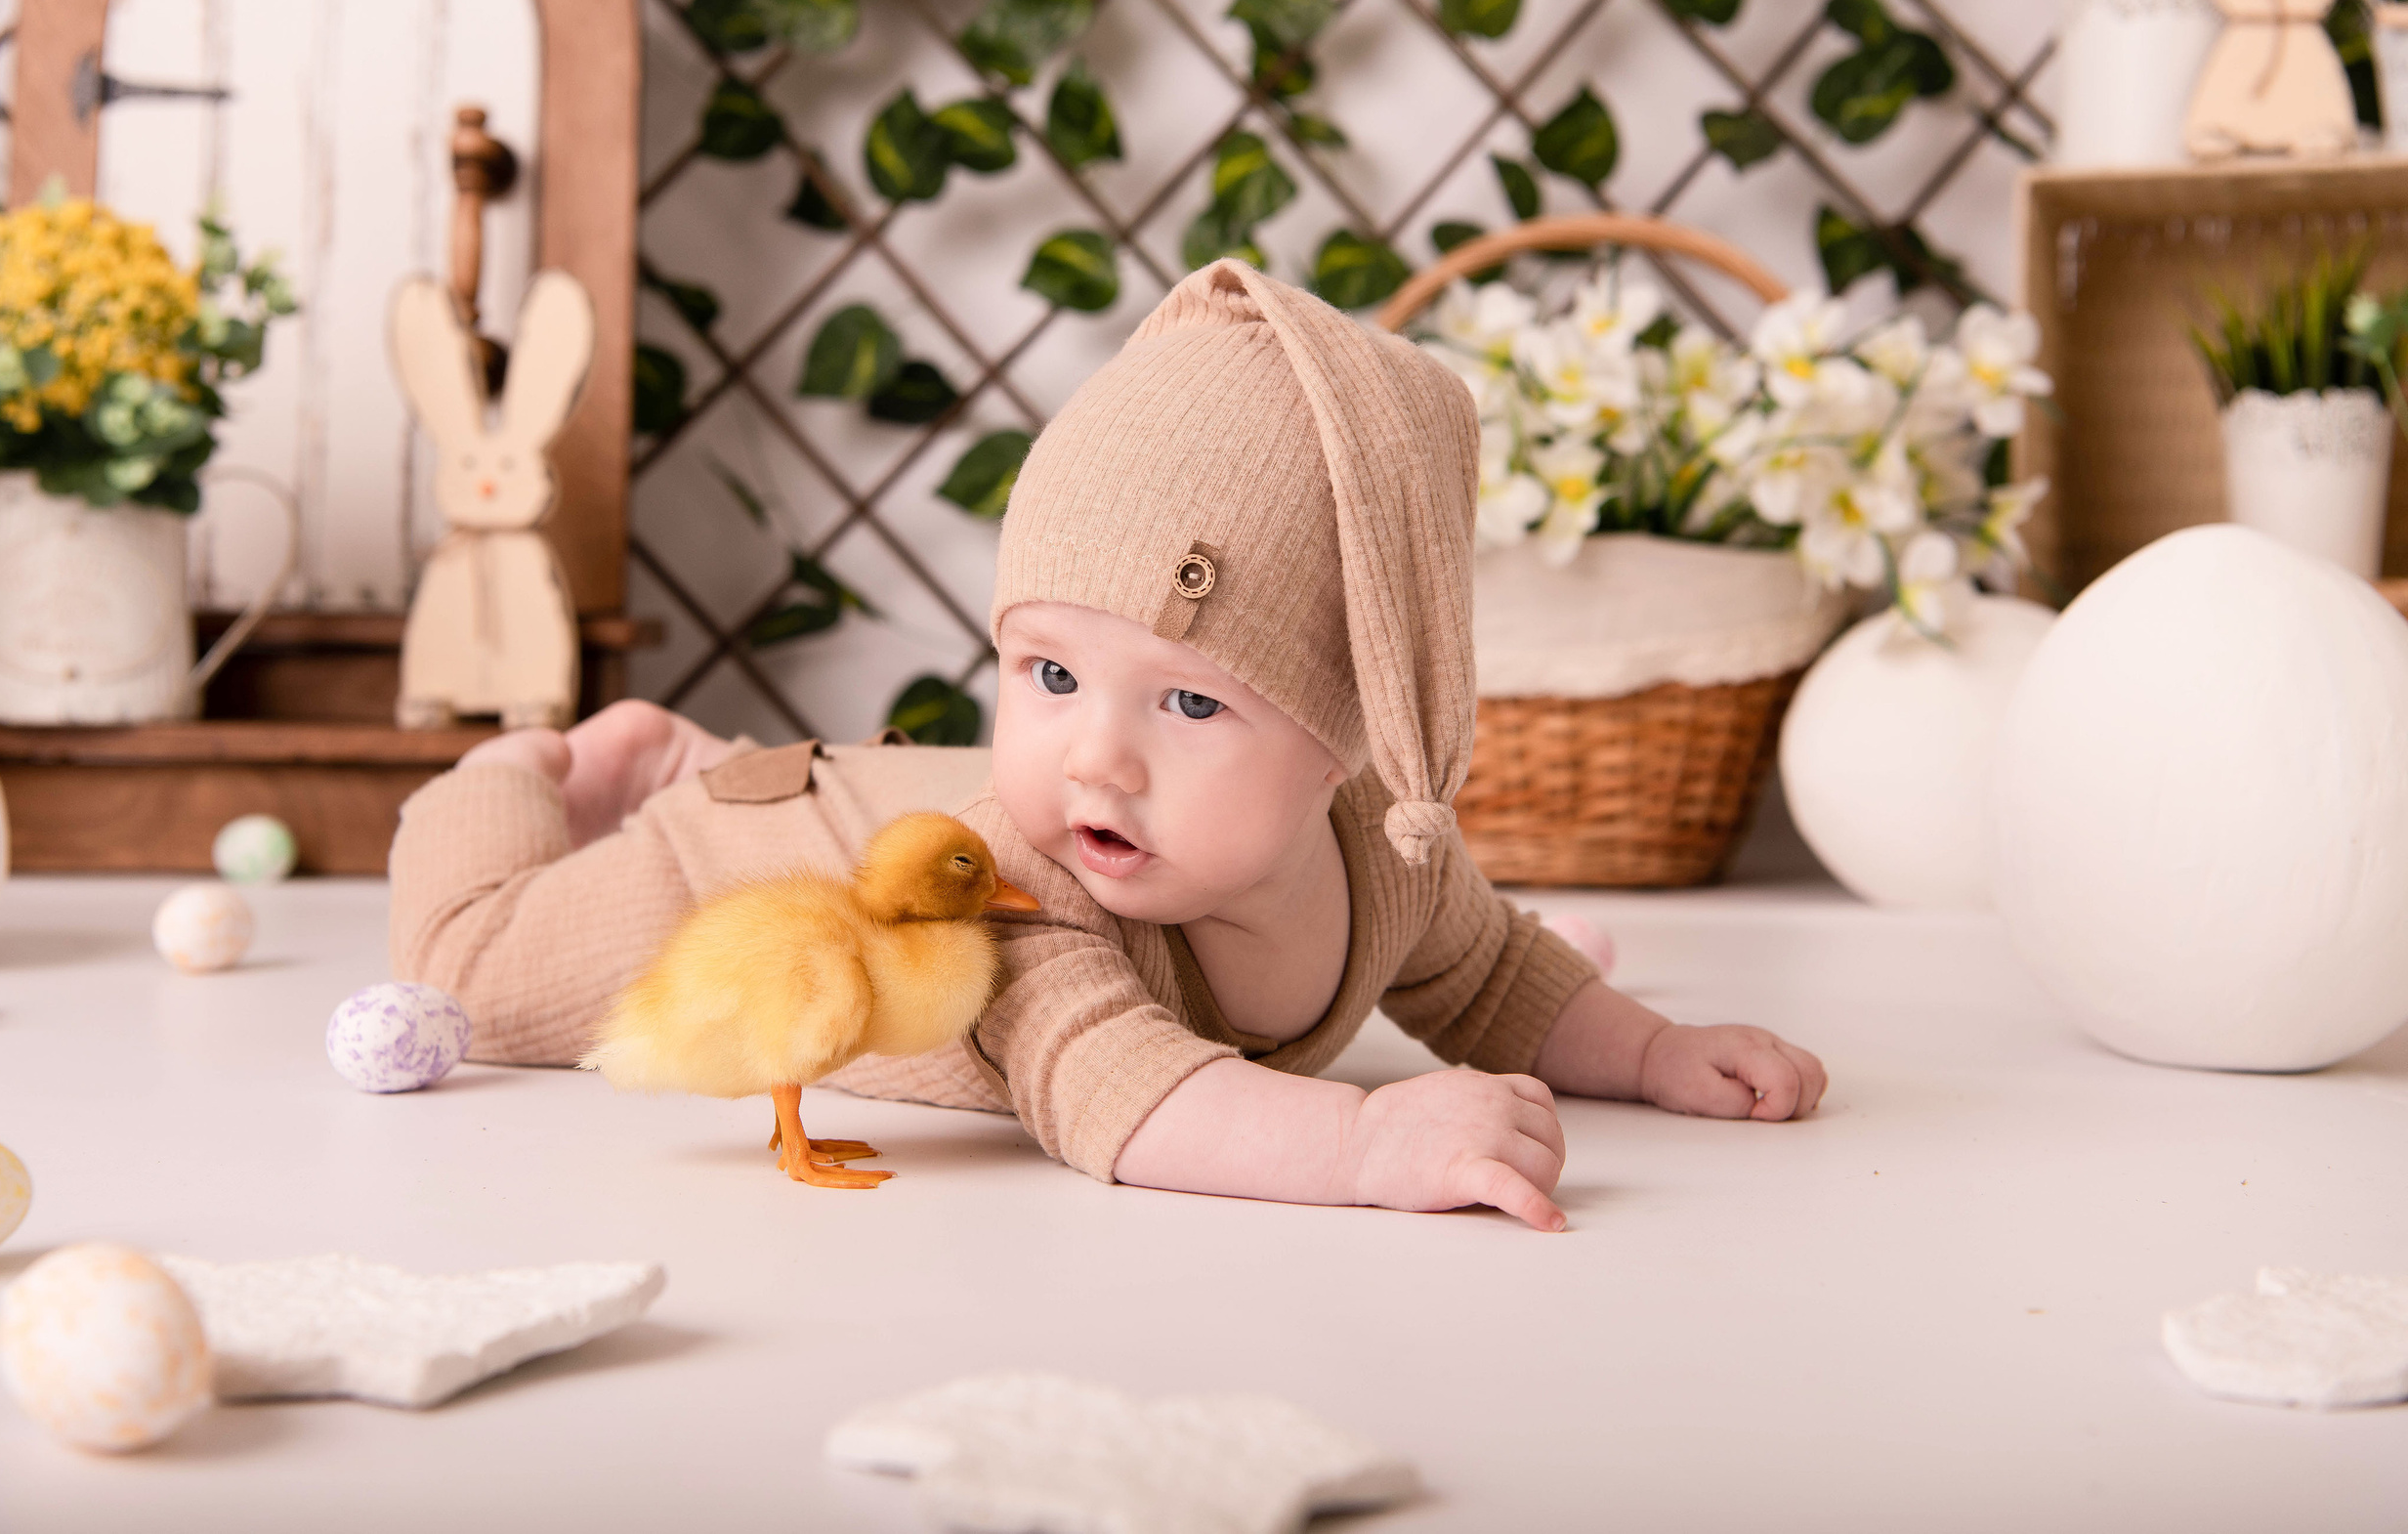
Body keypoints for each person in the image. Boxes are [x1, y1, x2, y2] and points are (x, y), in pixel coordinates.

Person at [390, 260, 1825, 1232]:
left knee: (858, 780)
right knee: (470, 966)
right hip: (749, 861)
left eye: (1191, 703)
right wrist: (1361, 1143)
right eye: (1051, 673)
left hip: (873, 795)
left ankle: (678, 754)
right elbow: (1116, 1094)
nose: (1096, 762)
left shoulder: (1390, 857)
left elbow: (1498, 974)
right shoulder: (1028, 897)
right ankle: (543, 773)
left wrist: (1649, 1052)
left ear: (1347, 740)